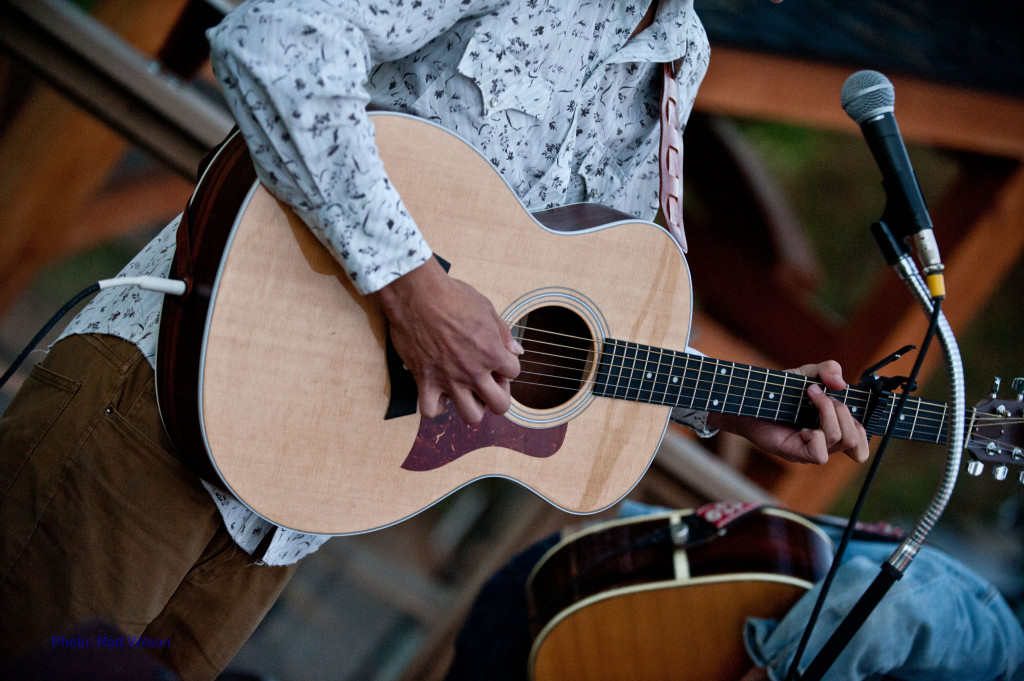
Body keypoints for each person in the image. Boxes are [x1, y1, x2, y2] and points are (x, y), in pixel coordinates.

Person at [0, 1, 868, 679]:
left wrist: (723, 401)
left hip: (297, 495)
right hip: (162, 402)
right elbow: (279, 41)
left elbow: (582, 303)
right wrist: (413, 287)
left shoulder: (682, 56)